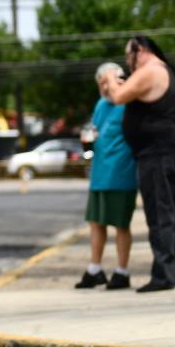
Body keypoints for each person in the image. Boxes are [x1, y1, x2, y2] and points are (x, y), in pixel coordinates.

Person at [100, 35, 175, 293]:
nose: (127, 62)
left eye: (129, 55)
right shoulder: (159, 70)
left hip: (159, 153)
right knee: (168, 214)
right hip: (164, 151)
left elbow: (118, 96)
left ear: (141, 50)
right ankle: (167, 271)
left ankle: (163, 275)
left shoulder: (150, 70)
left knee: (160, 215)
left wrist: (108, 77)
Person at [75, 62, 137, 290]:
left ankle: (122, 272)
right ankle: (95, 269)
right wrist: (87, 140)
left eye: (107, 82)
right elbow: (94, 131)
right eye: (101, 84)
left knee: (121, 224)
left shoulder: (130, 102)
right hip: (99, 173)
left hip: (122, 172)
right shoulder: (101, 105)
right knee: (96, 222)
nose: (105, 88)